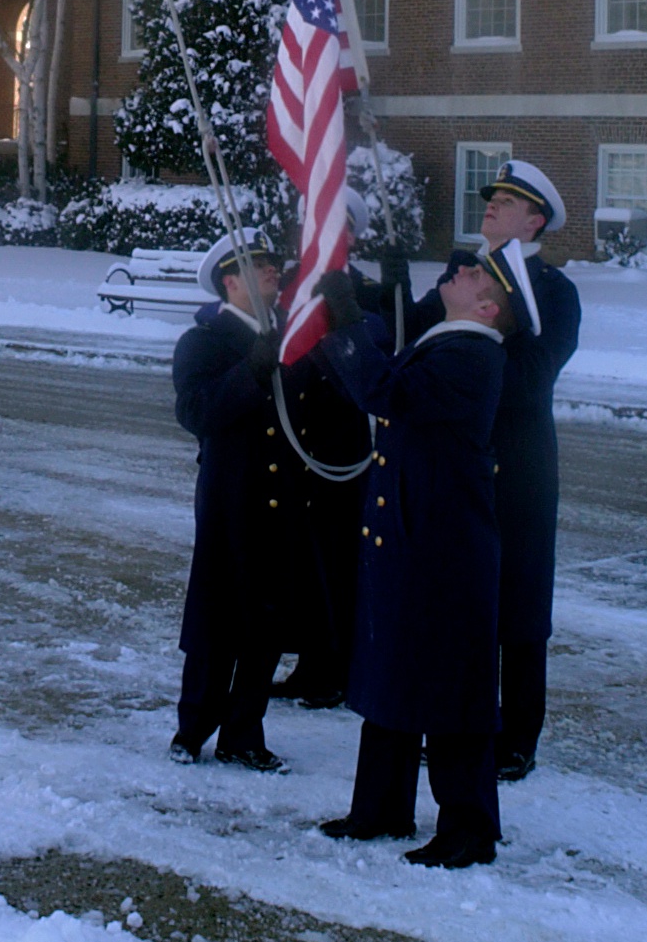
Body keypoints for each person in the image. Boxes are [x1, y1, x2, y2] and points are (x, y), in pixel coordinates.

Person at [313, 257, 515, 869]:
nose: (459, 269)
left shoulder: (474, 355)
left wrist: (347, 317)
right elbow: (390, 353)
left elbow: (390, 392)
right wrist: (360, 304)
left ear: (488, 308)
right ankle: (380, 806)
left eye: (475, 275)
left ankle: (469, 828)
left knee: (450, 687)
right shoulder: (447, 341)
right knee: (393, 670)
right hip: (414, 536)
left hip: (444, 549)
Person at [396, 159, 581, 781]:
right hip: (457, 464)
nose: (492, 206)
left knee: (520, 611)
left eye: (507, 201)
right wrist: (388, 272)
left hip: (520, 469)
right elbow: (411, 330)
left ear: (535, 222)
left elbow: (530, 382)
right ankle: (457, 720)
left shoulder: (554, 292)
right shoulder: (466, 273)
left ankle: (517, 737)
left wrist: (472, 351)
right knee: (458, 601)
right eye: (492, 197)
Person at [171, 226, 368, 770]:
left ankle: (243, 732)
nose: (271, 274)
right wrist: (253, 368)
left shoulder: (289, 334)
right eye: (258, 269)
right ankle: (192, 729)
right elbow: (198, 413)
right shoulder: (203, 341)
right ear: (229, 282)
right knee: (217, 620)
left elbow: (322, 405)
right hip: (232, 500)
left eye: (270, 266)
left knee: (265, 623)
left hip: (286, 499)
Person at [271, 185, 384, 708]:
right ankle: (308, 659)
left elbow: (379, 360)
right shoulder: (285, 290)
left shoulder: (366, 294)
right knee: (295, 559)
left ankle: (339, 666)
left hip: (340, 445)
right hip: (290, 441)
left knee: (339, 560)